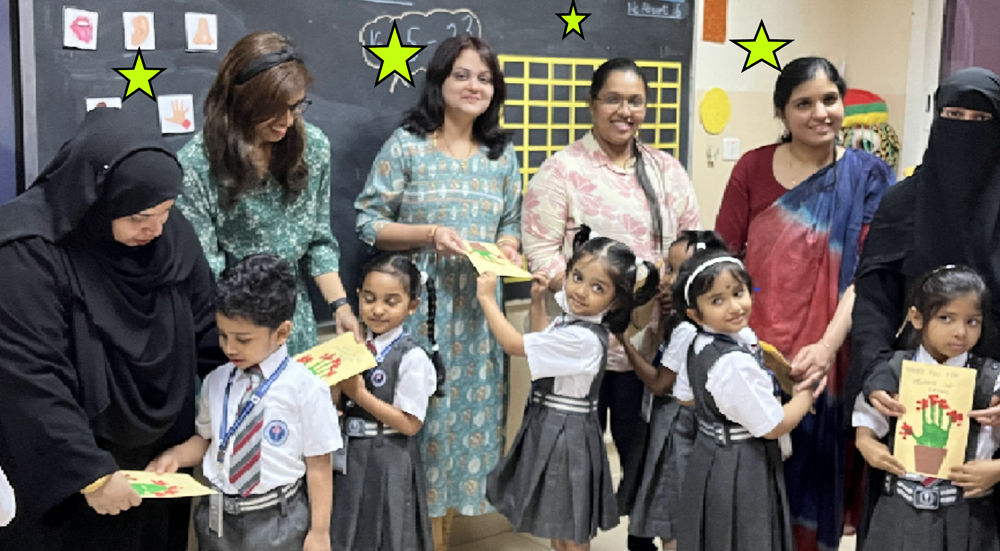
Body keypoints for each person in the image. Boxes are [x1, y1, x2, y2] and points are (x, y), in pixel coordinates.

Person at [0, 107, 223, 551]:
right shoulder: (26, 251)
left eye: (165, 211)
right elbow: (29, 376)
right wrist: (89, 472)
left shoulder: (169, 234)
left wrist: (260, 382)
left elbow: (211, 330)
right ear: (99, 198)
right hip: (72, 474)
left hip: (160, 466)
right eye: (140, 217)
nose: (156, 229)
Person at [714, 56, 895, 550]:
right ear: (782, 112)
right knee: (752, 469)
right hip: (753, 347)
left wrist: (827, 345)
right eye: (804, 103)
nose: (820, 113)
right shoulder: (753, 166)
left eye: (830, 100)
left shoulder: (870, 176)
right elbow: (722, 257)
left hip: (828, 353)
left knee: (815, 474)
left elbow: (869, 274)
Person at [521, 57, 700, 551]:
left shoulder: (666, 170)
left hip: (648, 351)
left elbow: (688, 243)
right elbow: (540, 250)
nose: (626, 110)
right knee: (571, 465)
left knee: (644, 461)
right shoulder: (563, 171)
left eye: (636, 100)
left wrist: (671, 282)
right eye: (613, 99)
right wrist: (591, 303)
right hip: (581, 351)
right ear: (593, 103)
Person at [354, 35, 521, 547]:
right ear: (440, 81)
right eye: (463, 75)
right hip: (416, 319)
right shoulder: (407, 145)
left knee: (462, 442)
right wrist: (428, 235)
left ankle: (440, 539)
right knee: (419, 431)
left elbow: (510, 221)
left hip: (478, 320)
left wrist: (508, 248)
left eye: (485, 78)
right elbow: (367, 222)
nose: (475, 86)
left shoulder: (501, 155)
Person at [845, 66, 1000, 546]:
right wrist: (874, 377)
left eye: (980, 119)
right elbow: (873, 302)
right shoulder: (903, 203)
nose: (965, 127)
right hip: (914, 390)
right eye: (954, 115)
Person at [176, 31, 360, 355]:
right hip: (234, 331)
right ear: (242, 102)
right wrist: (246, 337)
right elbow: (205, 269)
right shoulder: (197, 165)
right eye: (273, 110)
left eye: (296, 107)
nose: (287, 122)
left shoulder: (312, 147)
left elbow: (318, 241)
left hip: (294, 323)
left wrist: (341, 306)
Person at [478, 226, 659, 551]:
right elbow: (540, 344)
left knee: (571, 529)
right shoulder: (571, 321)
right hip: (549, 425)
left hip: (568, 435)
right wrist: (537, 302)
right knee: (557, 523)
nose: (580, 291)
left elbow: (515, 345)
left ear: (615, 301)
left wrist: (487, 298)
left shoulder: (583, 337)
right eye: (577, 277)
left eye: (597, 287)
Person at [148, 254, 341, 551]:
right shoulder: (216, 380)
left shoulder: (306, 388)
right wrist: (176, 456)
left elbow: (319, 465)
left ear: (281, 333)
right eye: (223, 335)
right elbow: (207, 440)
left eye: (243, 339)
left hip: (278, 520)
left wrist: (320, 532)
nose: (229, 347)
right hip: (217, 518)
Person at [674, 250, 824, 551]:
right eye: (717, 300)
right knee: (747, 537)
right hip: (742, 462)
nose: (734, 306)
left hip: (710, 453)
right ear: (695, 313)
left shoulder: (700, 343)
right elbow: (773, 425)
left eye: (739, 293)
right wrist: (807, 392)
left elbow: (685, 398)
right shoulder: (733, 363)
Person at [853, 265, 1000, 550]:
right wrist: (865, 441)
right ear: (916, 317)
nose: (960, 332)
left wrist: (996, 468)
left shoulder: (992, 380)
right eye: (946, 318)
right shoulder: (892, 372)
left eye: (973, 322)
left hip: (968, 514)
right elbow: (867, 419)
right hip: (900, 507)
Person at [616, 230, 728, 550]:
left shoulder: (685, 330)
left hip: (674, 431)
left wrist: (623, 341)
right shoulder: (710, 322)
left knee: (672, 519)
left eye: (674, 270)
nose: (664, 278)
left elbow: (659, 382)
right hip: (700, 428)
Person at [331, 253, 445, 551]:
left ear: (412, 306)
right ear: (358, 297)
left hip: (389, 458)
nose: (378, 309)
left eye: (391, 302)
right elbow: (337, 404)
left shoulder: (412, 357)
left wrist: (359, 394)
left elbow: (409, 424)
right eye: (369, 299)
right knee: (346, 532)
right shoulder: (353, 347)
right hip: (349, 456)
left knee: (389, 534)